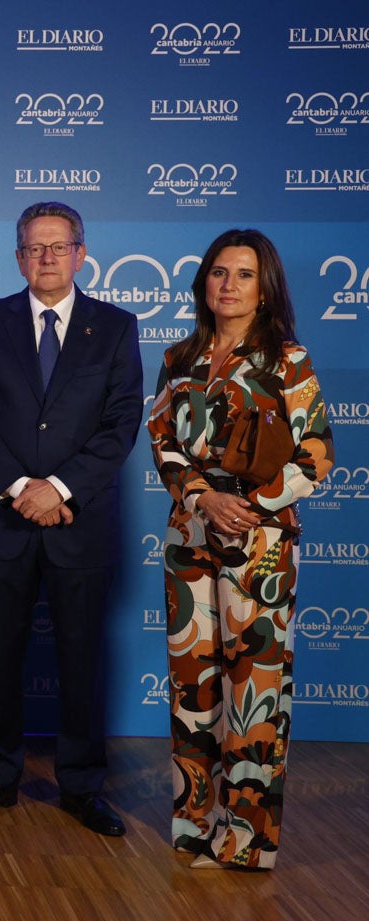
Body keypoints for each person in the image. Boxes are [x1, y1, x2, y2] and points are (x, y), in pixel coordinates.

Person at [0, 202, 143, 837]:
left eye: (59, 247)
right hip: (3, 522)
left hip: (78, 523)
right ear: (18, 257)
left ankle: (83, 786)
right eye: (35, 248)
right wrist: (20, 488)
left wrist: (58, 489)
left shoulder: (116, 327)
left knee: (81, 661)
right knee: (1, 659)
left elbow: (121, 426)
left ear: (81, 254)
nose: (47, 258)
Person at [148, 229, 333, 870]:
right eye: (218, 272)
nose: (228, 284)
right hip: (190, 534)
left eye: (244, 274)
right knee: (193, 686)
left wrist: (247, 507)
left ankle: (246, 839)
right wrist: (203, 500)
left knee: (254, 689)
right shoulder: (179, 358)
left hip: (260, 543)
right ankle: (195, 825)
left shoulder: (288, 360)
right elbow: (164, 443)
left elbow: (317, 456)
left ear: (266, 286)